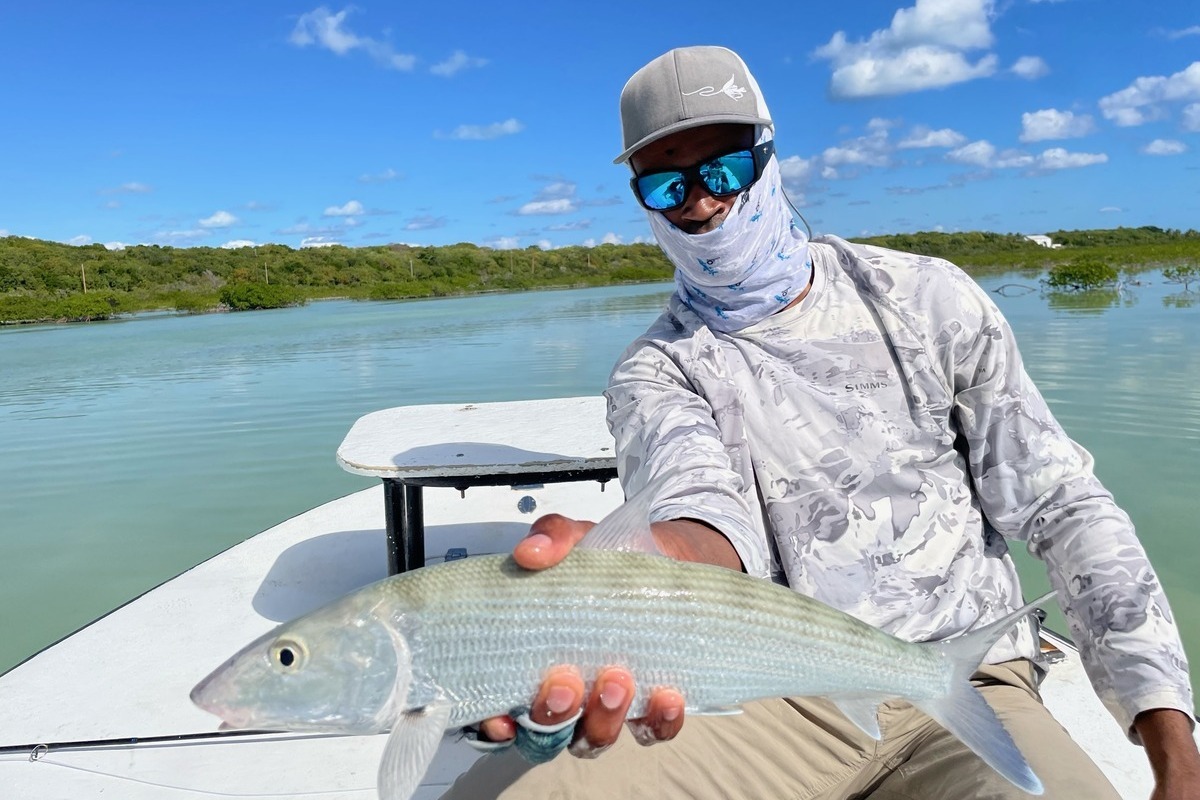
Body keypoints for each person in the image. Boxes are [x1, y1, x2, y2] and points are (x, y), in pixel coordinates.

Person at [443, 45, 1199, 798]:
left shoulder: (926, 299)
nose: (702, 204)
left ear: (768, 158)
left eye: (723, 171)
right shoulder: (656, 369)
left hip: (973, 676)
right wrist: (642, 556)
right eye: (669, 184)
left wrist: (1174, 750)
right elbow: (699, 508)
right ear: (644, 197)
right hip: (768, 688)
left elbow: (1062, 507)